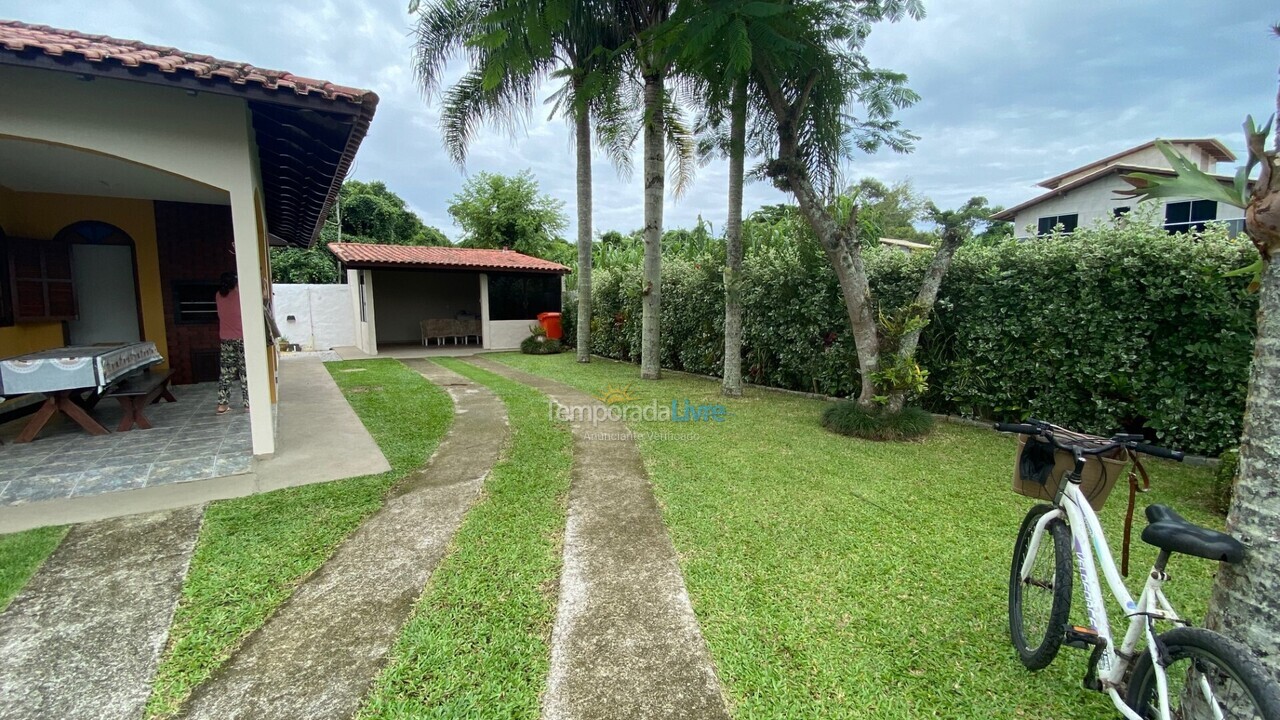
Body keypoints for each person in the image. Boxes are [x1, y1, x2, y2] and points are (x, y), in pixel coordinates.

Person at [214, 272, 249, 414]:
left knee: (226, 373)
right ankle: (248, 405)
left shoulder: (218, 295)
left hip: (226, 339)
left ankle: (222, 405)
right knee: (245, 372)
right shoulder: (240, 295)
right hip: (242, 338)